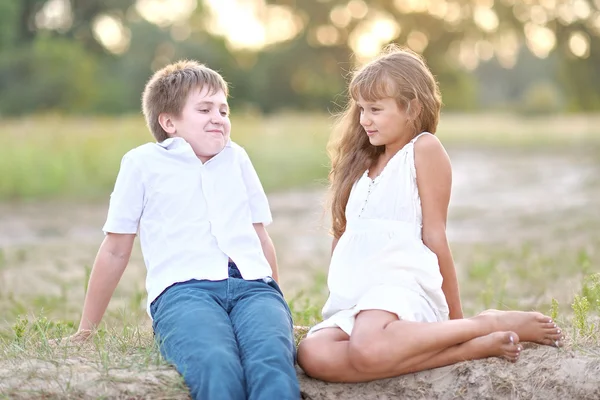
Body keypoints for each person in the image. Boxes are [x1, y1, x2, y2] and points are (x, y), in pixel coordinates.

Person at [296, 46, 564, 383]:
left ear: (412, 108)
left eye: (376, 109)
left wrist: (456, 320)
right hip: (357, 298)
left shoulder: (422, 150)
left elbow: (434, 235)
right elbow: (345, 236)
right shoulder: (360, 165)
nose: (364, 119)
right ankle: (470, 347)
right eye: (362, 109)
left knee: (366, 348)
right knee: (314, 354)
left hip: (400, 288)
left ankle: (486, 323)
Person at [67, 60, 300, 400]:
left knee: (271, 360)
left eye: (224, 109)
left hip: (254, 289)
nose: (218, 117)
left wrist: (279, 306)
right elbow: (116, 249)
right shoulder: (142, 163)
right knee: (216, 362)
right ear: (169, 121)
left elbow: (260, 238)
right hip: (184, 293)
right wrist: (86, 330)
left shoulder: (238, 159)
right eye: (204, 109)